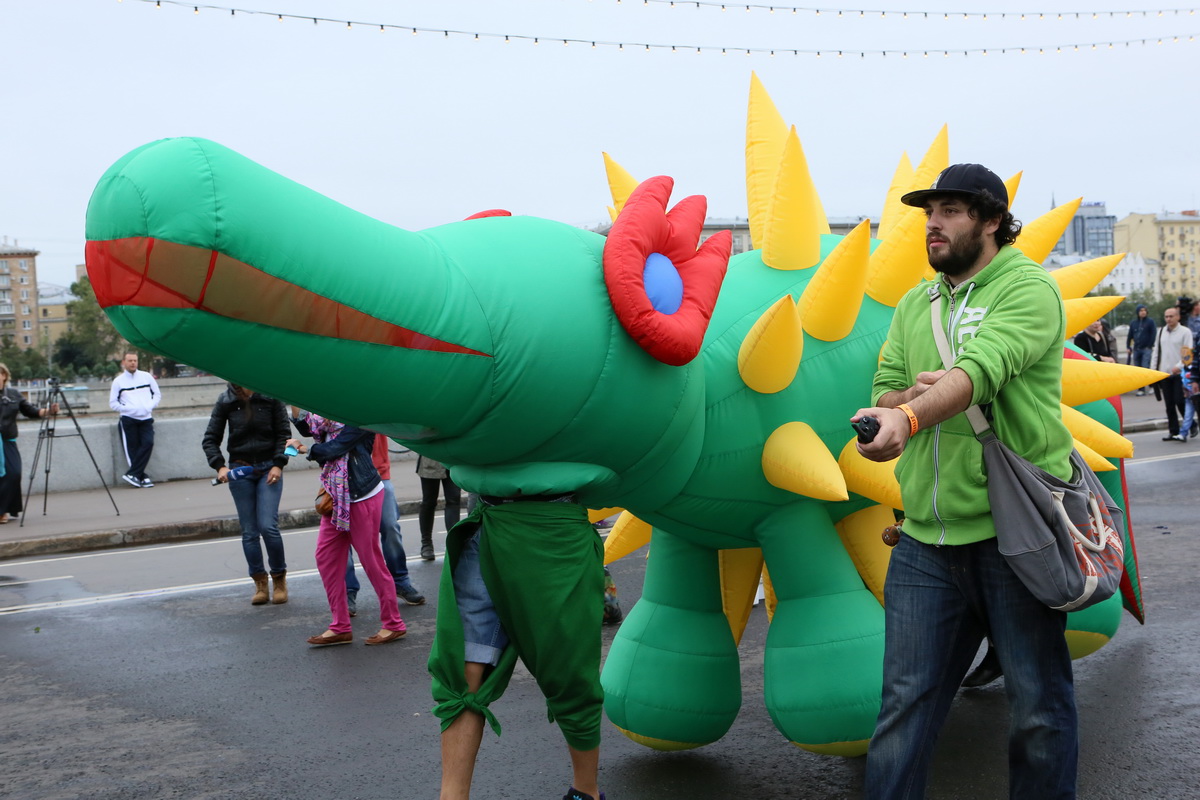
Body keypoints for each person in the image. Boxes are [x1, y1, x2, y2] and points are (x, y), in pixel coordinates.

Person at [852, 163, 1079, 798]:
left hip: (1016, 536)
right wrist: (899, 404)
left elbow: (985, 367)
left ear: (993, 221)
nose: (933, 222)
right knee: (902, 713)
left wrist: (911, 411)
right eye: (930, 211)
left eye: (952, 210)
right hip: (925, 541)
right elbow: (883, 391)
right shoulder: (913, 305)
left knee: (1038, 711)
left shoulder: (1028, 287)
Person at [430, 492, 606, 800]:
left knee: (569, 674)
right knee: (465, 671)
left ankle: (585, 791)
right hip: (490, 519)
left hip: (556, 527)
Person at [289, 412, 405, 646]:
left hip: (362, 495)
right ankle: (340, 625)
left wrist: (303, 449)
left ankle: (393, 623)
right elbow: (308, 426)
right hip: (336, 496)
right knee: (326, 557)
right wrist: (293, 397)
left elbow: (335, 448)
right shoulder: (327, 415)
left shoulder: (359, 412)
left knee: (371, 560)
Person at [201, 383, 291, 606]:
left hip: (269, 468)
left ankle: (279, 579)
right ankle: (260, 582)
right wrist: (220, 467)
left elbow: (284, 435)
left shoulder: (271, 396)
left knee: (268, 526)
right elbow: (210, 439)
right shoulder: (226, 400)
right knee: (249, 531)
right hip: (240, 470)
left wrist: (279, 464)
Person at [345, 434, 426, 613]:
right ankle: (348, 591)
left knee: (390, 527)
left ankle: (401, 581)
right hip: (343, 478)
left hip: (379, 474)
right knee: (343, 536)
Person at [0, 365, 58, 524]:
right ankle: (1, 512)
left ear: (4, 375)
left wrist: (49, 411)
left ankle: (6, 508)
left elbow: (31, 411)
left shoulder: (13, 394)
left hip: (7, 441)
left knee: (14, 473)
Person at [109, 351, 161, 488]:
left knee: (148, 443)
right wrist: (129, 409)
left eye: (135, 361)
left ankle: (133, 474)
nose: (133, 363)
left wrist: (148, 407)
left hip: (146, 419)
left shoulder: (146, 377)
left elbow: (157, 395)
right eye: (130, 360)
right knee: (133, 449)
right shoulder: (118, 382)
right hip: (128, 420)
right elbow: (113, 403)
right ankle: (142, 477)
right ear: (123, 362)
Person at [1150, 306, 1194, 443]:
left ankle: (1192, 424)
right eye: (1166, 317)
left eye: (1171, 316)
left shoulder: (1185, 332)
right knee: (1169, 404)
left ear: (1178, 317)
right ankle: (1173, 431)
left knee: (1179, 401)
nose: (1168, 319)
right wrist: (1153, 370)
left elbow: (1189, 352)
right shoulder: (1161, 331)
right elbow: (1156, 351)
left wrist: (1179, 366)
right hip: (1165, 373)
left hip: (1180, 373)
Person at [417, 454, 461, 561]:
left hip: (453, 461)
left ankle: (452, 543)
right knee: (429, 502)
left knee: (453, 501)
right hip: (430, 460)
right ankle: (426, 543)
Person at [1126, 305, 1156, 394]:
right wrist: (1128, 346)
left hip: (1146, 348)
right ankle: (1141, 389)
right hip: (1136, 349)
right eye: (1141, 310)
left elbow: (1153, 334)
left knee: (1146, 367)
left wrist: (1149, 345)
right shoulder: (1134, 323)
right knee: (1138, 369)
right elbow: (1130, 336)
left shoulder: (1150, 322)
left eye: (1144, 310)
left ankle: (1151, 385)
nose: (1143, 312)